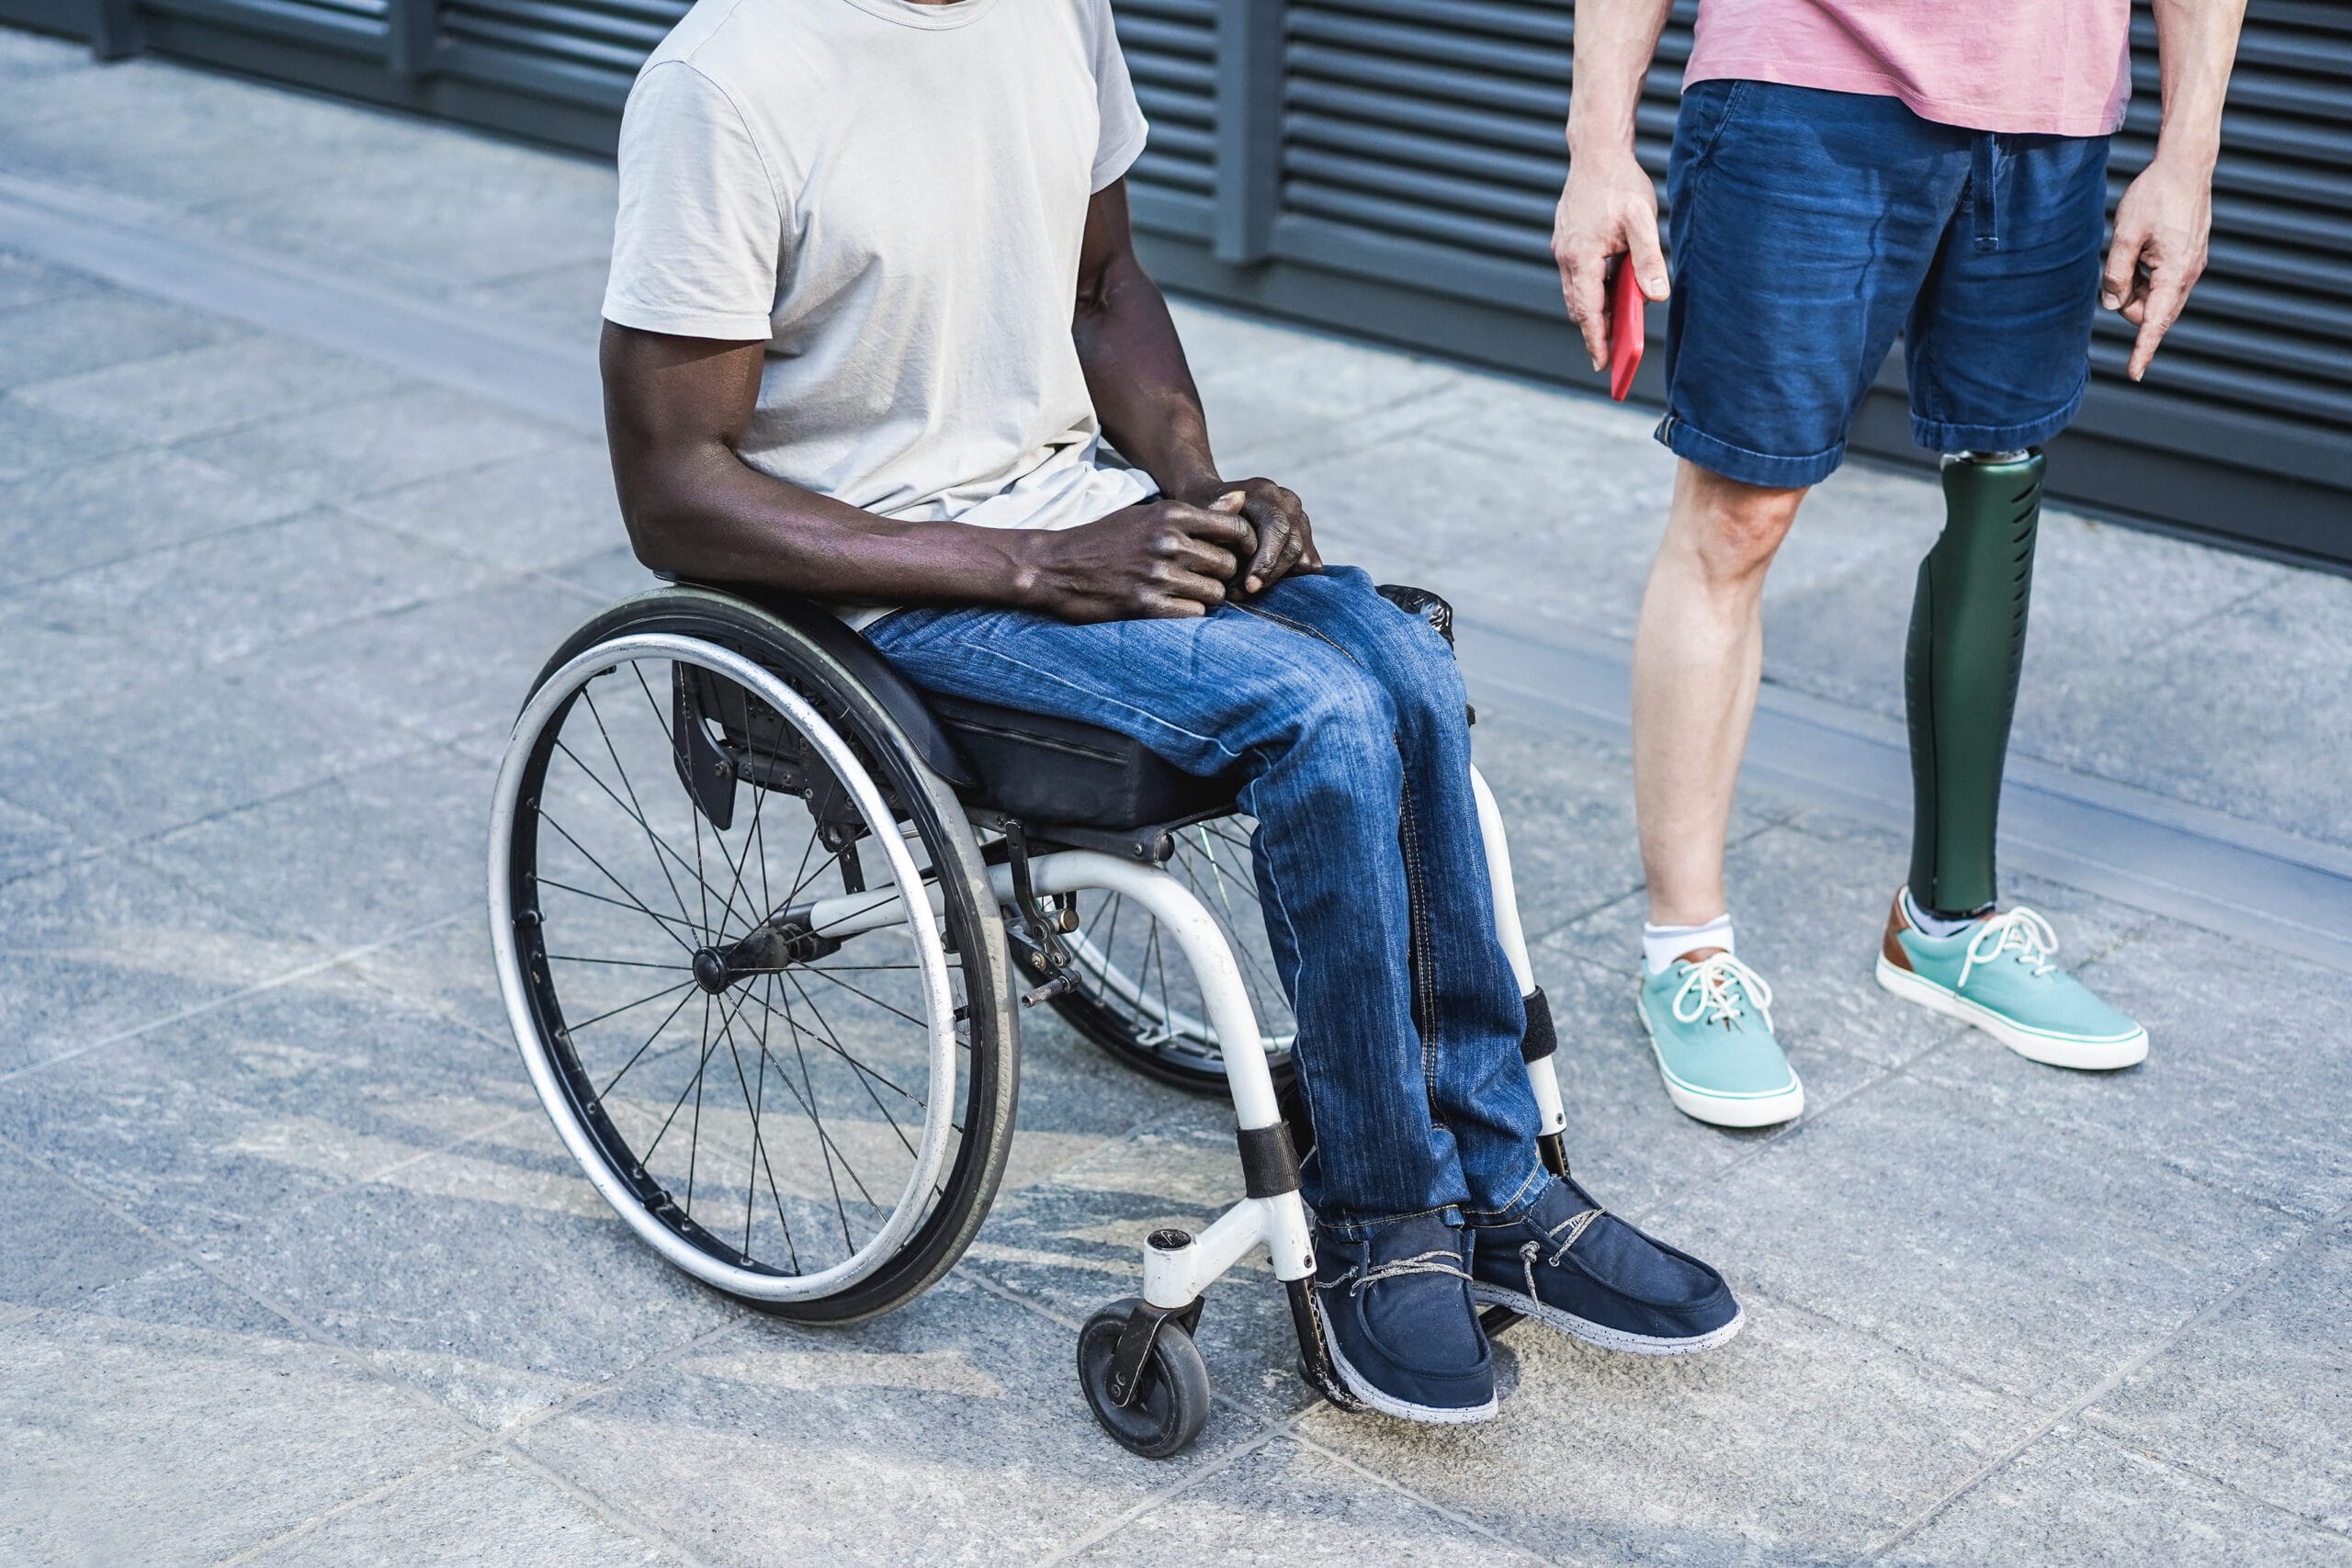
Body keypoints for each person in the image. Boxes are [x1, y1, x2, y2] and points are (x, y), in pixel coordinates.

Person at [596, 0, 1740, 1424]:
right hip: (888, 586)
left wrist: (1195, 486)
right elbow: (674, 488)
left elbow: (1104, 283)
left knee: (1404, 663)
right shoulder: (732, 78)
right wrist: (1034, 565)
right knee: (1316, 713)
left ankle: (1499, 1182)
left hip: (1072, 517)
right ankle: (1382, 1219)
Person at [1550, 0, 2246, 1126]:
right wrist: (1598, 147)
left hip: (2053, 112)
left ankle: (1948, 925)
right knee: (1739, 512)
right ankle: (1685, 954)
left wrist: (2188, 153)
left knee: (2000, 481)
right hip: (1801, 87)